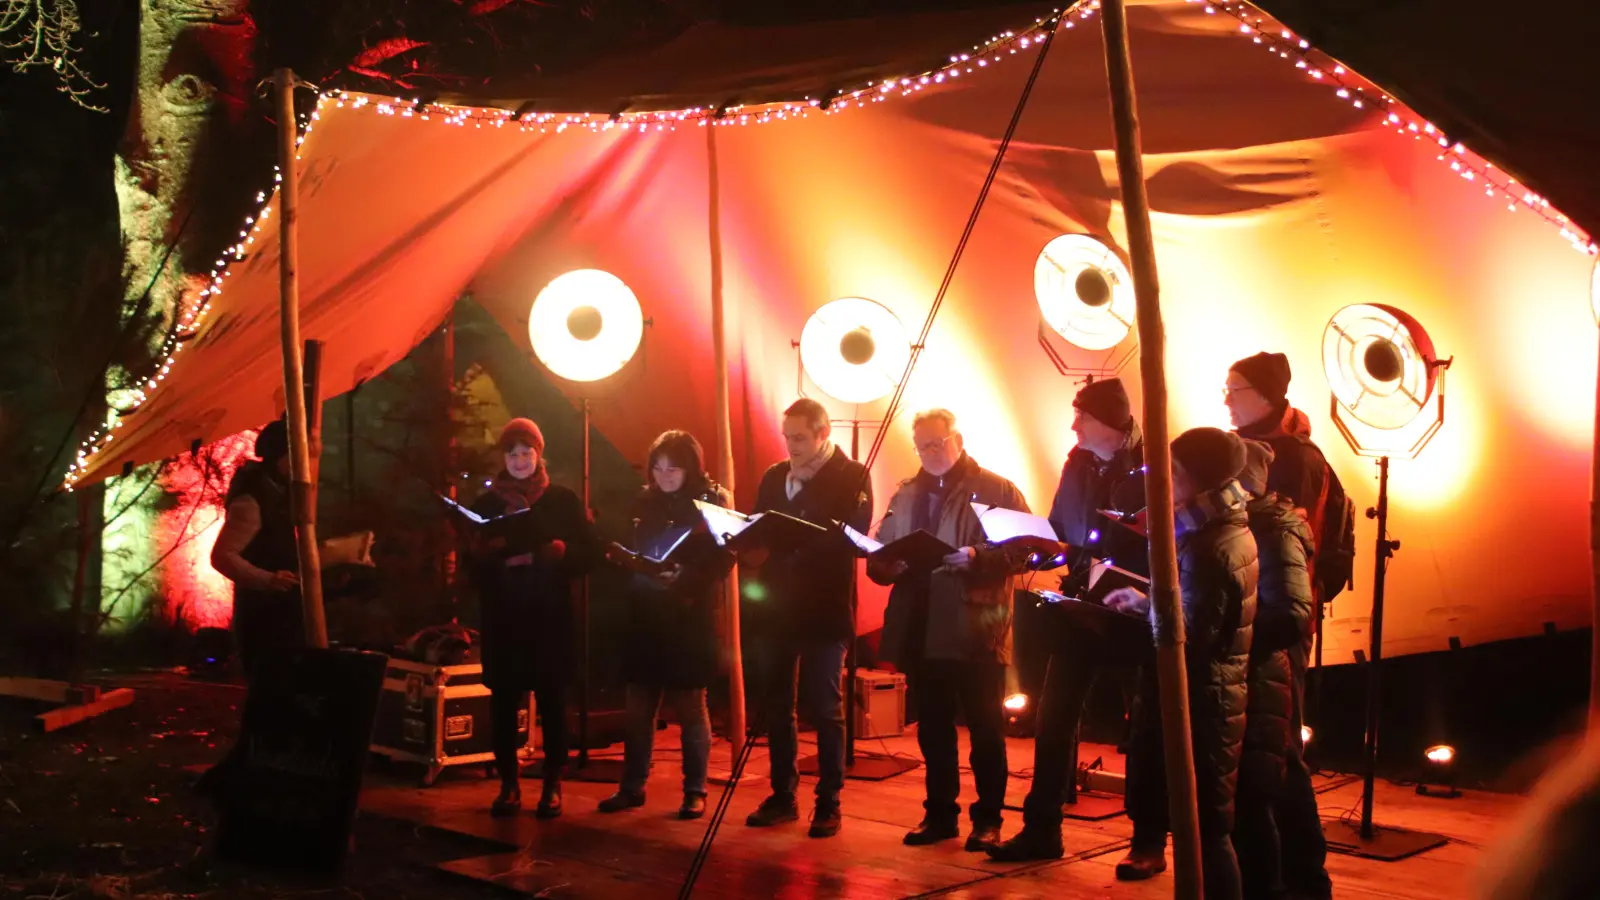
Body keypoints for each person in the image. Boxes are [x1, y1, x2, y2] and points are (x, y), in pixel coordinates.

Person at [991, 378, 1147, 862]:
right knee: (1054, 717)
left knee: (1143, 729)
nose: (1074, 424)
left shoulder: (1154, 465)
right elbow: (1061, 529)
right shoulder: (1077, 463)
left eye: (1083, 416)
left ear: (1111, 423)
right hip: (1081, 607)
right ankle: (1042, 830)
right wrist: (1034, 548)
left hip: (1135, 612)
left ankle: (1147, 842)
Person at [1105, 427, 1257, 899]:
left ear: (1197, 478)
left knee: (1207, 828)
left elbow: (1195, 632)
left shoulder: (1211, 543)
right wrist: (1149, 599)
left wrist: (1149, 607)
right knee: (1205, 824)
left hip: (1204, 696)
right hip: (1211, 689)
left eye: (1172, 472)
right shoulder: (1219, 525)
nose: (1165, 482)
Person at [870, 408, 1030, 854]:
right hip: (921, 625)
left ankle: (989, 819)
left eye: (937, 444)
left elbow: (1025, 550)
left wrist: (979, 557)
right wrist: (886, 564)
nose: (929, 453)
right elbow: (882, 548)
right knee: (933, 728)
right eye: (922, 446)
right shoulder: (906, 492)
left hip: (975, 626)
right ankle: (939, 814)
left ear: (957, 439)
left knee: (984, 728)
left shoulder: (996, 489)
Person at [1226, 351, 1334, 900]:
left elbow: (1295, 545)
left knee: (1280, 754)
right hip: (1262, 613)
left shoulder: (1293, 460)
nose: (1226, 399)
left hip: (1276, 621)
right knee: (1268, 755)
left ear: (1267, 396)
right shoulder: (1257, 451)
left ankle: (1303, 880)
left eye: (1236, 389)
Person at [741, 398, 872, 838]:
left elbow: (851, 537)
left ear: (822, 434)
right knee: (778, 705)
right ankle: (783, 795)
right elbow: (761, 526)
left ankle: (829, 802)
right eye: (787, 437)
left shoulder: (852, 475)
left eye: (799, 437)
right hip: (779, 607)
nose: (791, 445)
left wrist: (795, 541)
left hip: (825, 607)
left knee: (825, 705)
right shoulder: (775, 476)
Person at [598, 431, 732, 821]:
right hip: (645, 613)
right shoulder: (643, 500)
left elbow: (725, 559)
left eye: (673, 468)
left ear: (690, 467)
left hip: (688, 615)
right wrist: (627, 560)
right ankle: (632, 786)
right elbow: (627, 543)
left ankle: (695, 790)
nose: (664, 475)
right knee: (638, 705)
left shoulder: (711, 501)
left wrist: (686, 576)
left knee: (691, 705)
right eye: (657, 467)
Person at [468, 418, 597, 820]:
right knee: (504, 701)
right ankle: (508, 784)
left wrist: (555, 552)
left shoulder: (561, 500)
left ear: (539, 454)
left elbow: (589, 554)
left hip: (550, 617)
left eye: (527, 453)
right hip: (505, 616)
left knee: (553, 700)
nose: (520, 461)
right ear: (503, 458)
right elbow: (473, 563)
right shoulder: (487, 504)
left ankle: (552, 785)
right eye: (512, 454)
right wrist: (492, 555)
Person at [1233, 440, 1316, 900]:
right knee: (1258, 789)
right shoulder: (1245, 525)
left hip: (1264, 671)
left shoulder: (1273, 530)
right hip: (1246, 670)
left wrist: (1224, 627)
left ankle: (1302, 882)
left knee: (1279, 776)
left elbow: (1289, 615)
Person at [211, 419, 310, 684]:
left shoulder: (280, 492)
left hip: (282, 614)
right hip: (263, 618)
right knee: (268, 694)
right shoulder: (252, 500)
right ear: (281, 456)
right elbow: (222, 556)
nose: (304, 463)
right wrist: (268, 580)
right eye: (297, 455)